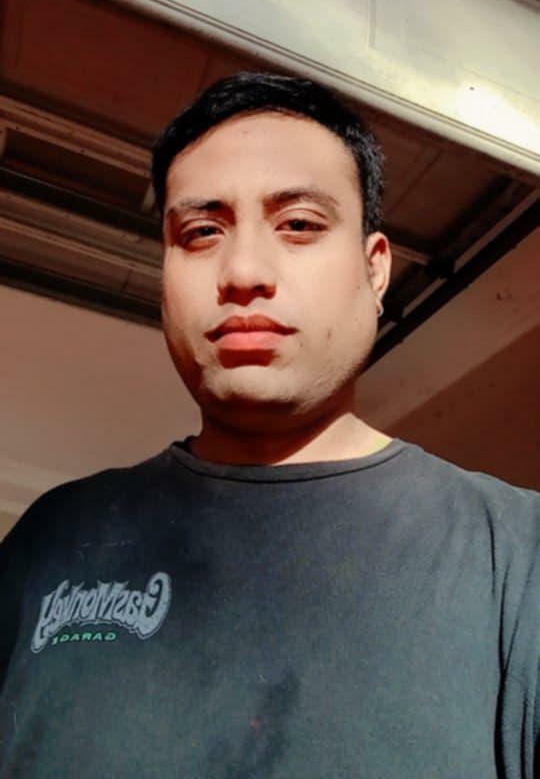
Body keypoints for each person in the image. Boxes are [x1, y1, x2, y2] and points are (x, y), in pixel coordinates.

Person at [1, 71, 539, 778]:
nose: (244, 271)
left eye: (300, 225)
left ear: (375, 270)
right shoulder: (53, 537)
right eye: (201, 232)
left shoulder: (516, 556)